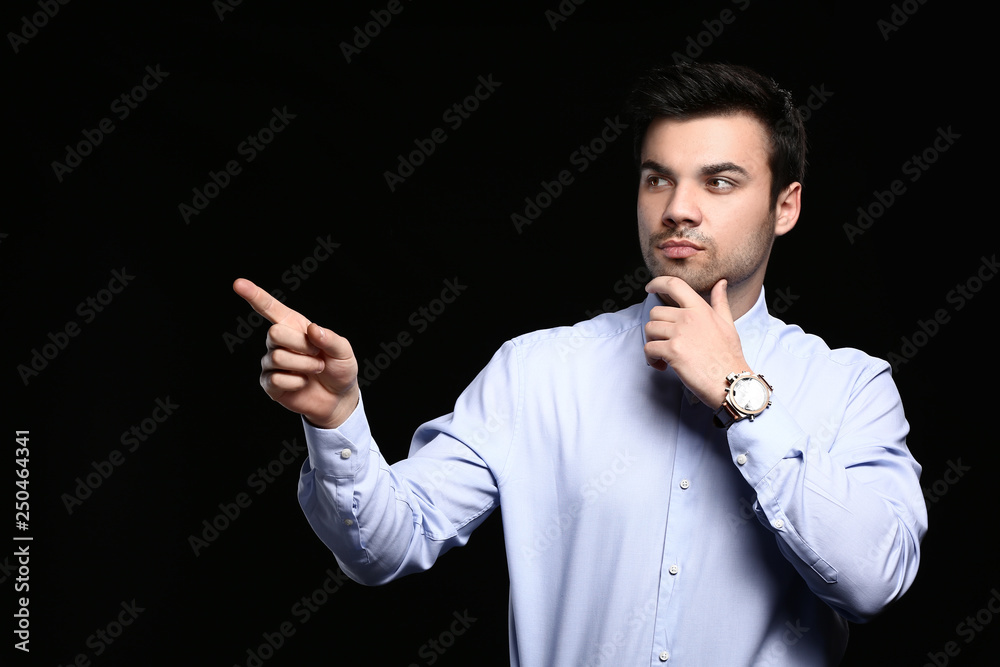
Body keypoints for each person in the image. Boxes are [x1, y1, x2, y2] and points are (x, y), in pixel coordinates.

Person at [233, 62, 926, 666]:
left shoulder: (851, 387)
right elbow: (384, 548)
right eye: (659, 179)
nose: (678, 209)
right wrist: (338, 421)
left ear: (786, 207)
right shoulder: (538, 372)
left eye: (719, 182)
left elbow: (872, 581)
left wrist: (737, 390)